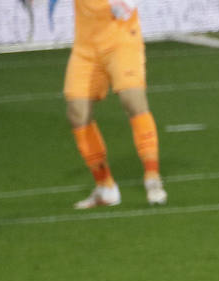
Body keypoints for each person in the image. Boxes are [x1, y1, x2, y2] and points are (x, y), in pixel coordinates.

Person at [64, 0, 167, 208]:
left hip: (120, 38)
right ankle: (105, 187)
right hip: (86, 44)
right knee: (77, 113)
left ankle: (152, 178)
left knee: (132, 100)